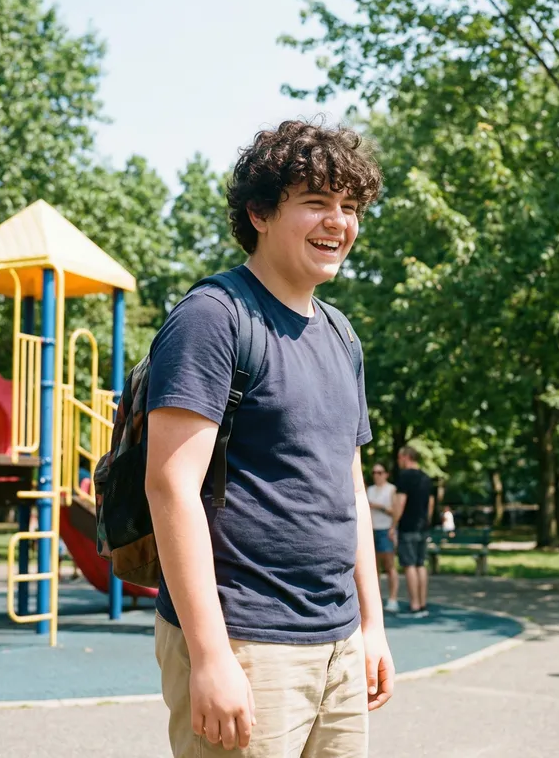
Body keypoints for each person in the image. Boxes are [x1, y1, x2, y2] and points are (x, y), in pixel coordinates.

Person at [145, 119, 394, 756]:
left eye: (349, 206)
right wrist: (210, 656)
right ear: (258, 211)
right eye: (315, 202)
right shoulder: (213, 318)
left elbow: (350, 488)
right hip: (247, 642)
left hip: (338, 642)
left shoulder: (342, 335)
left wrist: (372, 625)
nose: (338, 222)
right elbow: (169, 485)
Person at [390, 445, 435, 618]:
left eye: (400, 457)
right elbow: (430, 505)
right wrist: (426, 521)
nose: (398, 461)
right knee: (420, 564)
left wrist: (393, 525)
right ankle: (422, 604)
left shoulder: (405, 477)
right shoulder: (426, 478)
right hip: (422, 526)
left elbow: (400, 503)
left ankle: (414, 606)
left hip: (408, 526)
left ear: (406, 457)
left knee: (409, 565)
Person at [367, 463, 399, 612]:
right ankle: (376, 600)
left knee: (389, 566)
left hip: (385, 530)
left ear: (386, 474)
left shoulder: (391, 489)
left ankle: (393, 599)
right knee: (374, 569)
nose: (376, 475)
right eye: (374, 472)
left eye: (380, 472)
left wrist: (379, 506)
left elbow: (395, 512)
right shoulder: (369, 490)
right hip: (371, 530)